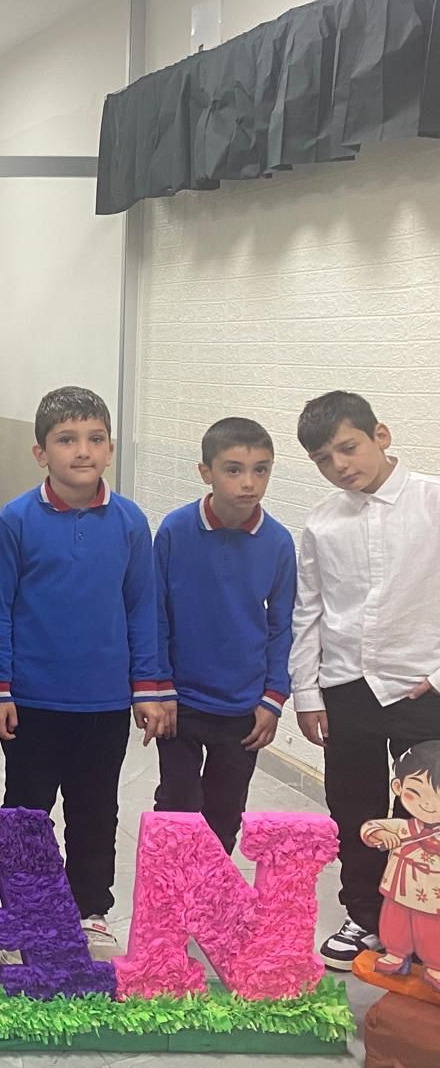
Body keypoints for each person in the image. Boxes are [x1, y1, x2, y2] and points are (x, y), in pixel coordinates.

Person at [0, 386, 165, 960]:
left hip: (105, 703)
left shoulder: (130, 522)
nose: (82, 451)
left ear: (110, 449)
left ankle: (90, 913)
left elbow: (143, 607)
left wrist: (147, 687)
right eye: (66, 439)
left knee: (95, 811)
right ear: (41, 453)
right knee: (27, 812)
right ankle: (25, 915)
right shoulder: (16, 520)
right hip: (33, 701)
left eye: (95, 439)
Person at [289, 390, 440, 969]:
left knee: (424, 811)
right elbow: (309, 610)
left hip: (423, 686)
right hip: (347, 685)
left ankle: (423, 920)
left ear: (382, 434)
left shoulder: (432, 500)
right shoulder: (323, 522)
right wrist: (307, 692)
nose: (340, 465)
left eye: (348, 448)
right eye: (323, 459)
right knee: (353, 805)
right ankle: (365, 915)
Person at [152, 417, 296, 854]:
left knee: (225, 810)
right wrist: (157, 686)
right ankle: (171, 886)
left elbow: (284, 625)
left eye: (261, 469)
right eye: (234, 469)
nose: (249, 482)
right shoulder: (175, 530)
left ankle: (212, 889)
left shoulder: (278, 542)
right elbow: (154, 613)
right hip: (180, 700)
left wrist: (274, 697)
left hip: (244, 706)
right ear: (206, 472)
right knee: (178, 803)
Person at [359, 741, 440, 991]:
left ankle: (435, 965)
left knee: (432, 930)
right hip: (397, 890)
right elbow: (370, 828)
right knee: (393, 922)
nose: (428, 804)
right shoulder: (405, 827)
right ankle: (395, 954)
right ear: (398, 787)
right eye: (416, 792)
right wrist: (381, 835)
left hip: (432, 897)